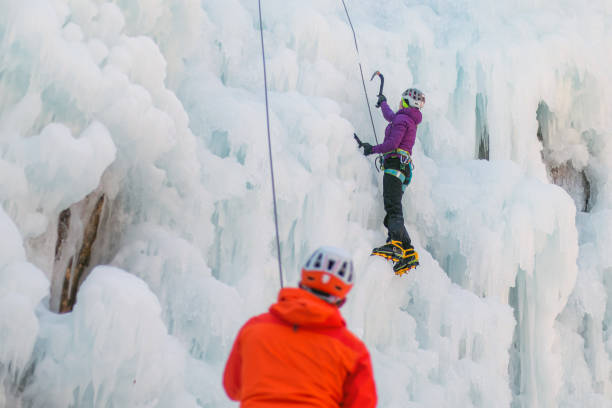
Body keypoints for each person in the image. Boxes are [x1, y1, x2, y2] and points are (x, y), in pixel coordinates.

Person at [222, 246, 377, 407]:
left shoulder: (255, 328)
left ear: (303, 280)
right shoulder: (352, 351)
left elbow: (233, 388)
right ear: (341, 298)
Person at [360, 88, 425, 275]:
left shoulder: (403, 120)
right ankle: (408, 251)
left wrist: (371, 149)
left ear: (405, 102)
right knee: (393, 209)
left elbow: (391, 145)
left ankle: (396, 245)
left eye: (401, 101)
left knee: (393, 207)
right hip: (403, 169)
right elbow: (391, 116)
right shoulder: (406, 118)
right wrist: (383, 103)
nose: (398, 104)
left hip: (395, 166)